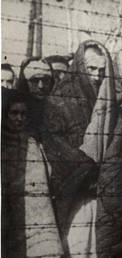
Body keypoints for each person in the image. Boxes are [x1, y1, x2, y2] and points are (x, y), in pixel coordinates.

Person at [42, 39, 118, 257]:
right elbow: (55, 145)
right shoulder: (59, 99)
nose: (97, 76)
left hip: (102, 192)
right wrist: (87, 167)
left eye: (102, 70)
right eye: (91, 69)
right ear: (79, 66)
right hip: (74, 192)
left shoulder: (108, 97)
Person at [1, 88, 66, 258]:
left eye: (24, 114)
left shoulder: (35, 143)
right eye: (14, 113)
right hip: (14, 221)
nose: (19, 118)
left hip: (43, 221)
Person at [15, 57, 55, 132]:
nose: (41, 86)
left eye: (45, 80)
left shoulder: (57, 110)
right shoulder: (15, 112)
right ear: (25, 83)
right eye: (35, 81)